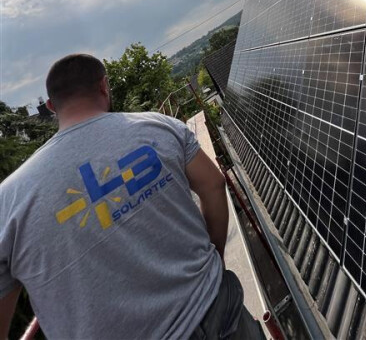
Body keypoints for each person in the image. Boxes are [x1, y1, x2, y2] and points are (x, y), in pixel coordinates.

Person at [0, 54, 265, 340]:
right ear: (104, 86)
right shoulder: (159, 126)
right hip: (217, 312)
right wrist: (214, 259)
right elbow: (213, 184)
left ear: (51, 106)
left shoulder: (9, 199)